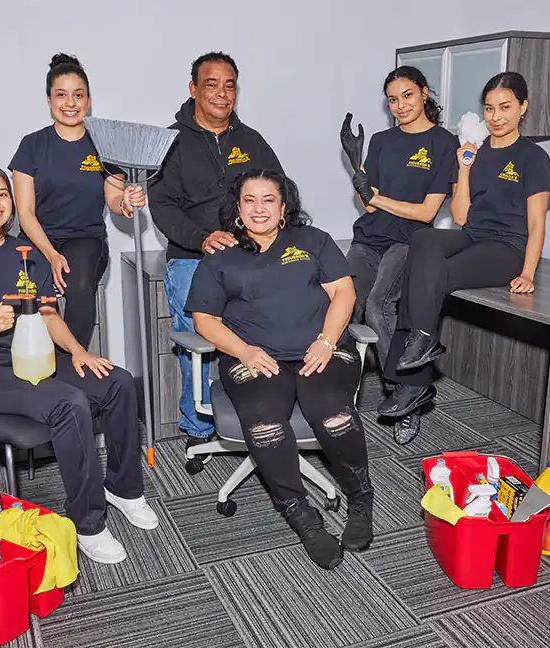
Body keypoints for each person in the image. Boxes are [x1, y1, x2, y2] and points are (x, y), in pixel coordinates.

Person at [0, 162, 158, 565]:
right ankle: (89, 524)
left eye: (2, 194)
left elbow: (48, 316)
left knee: (118, 381)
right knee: (69, 404)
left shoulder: (24, 252)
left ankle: (124, 489)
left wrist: (78, 351)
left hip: (31, 356)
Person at [185, 170, 372, 570]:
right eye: (249, 200)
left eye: (268, 199)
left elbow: (344, 292)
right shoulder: (221, 255)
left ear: (284, 206)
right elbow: (204, 319)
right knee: (265, 424)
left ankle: (360, 499)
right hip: (254, 357)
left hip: (320, 351)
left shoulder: (313, 241)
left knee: (332, 414)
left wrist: (325, 341)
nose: (259, 209)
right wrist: (245, 351)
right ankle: (302, 517)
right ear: (237, 208)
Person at [378, 72, 550, 441]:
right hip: (474, 235)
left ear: (523, 108)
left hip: (507, 248)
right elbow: (460, 216)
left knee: (438, 273)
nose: (496, 116)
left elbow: (537, 224)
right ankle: (422, 346)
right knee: (424, 241)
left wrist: (528, 272)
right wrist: (464, 167)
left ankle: (413, 374)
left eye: (505, 107)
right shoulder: (474, 150)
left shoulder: (534, 157)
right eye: (489, 108)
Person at [149, 52, 283, 459]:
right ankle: (197, 426)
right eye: (212, 84)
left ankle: (255, 414)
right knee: (201, 339)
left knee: (266, 326)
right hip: (193, 256)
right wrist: (203, 237)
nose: (222, 94)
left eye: (230, 85)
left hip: (247, 255)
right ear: (193, 90)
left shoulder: (252, 141)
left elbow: (279, 191)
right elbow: (163, 207)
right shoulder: (171, 143)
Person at [341, 67, 457, 442]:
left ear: (424, 94)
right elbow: (369, 206)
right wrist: (358, 168)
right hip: (369, 237)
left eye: (407, 95)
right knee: (342, 305)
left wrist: (374, 196)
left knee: (378, 306)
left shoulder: (444, 143)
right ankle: (333, 397)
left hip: (409, 240)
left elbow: (426, 212)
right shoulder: (381, 140)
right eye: (393, 99)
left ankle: (407, 389)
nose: (400, 105)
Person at [10, 54, 144, 349]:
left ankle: (70, 361)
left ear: (88, 100)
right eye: (61, 95)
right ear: (48, 100)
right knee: (30, 293)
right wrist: (50, 254)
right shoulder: (31, 145)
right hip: (37, 239)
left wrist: (127, 201)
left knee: (79, 285)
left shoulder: (103, 144)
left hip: (85, 240)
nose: (70, 103)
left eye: (78, 95)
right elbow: (26, 213)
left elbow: (114, 199)